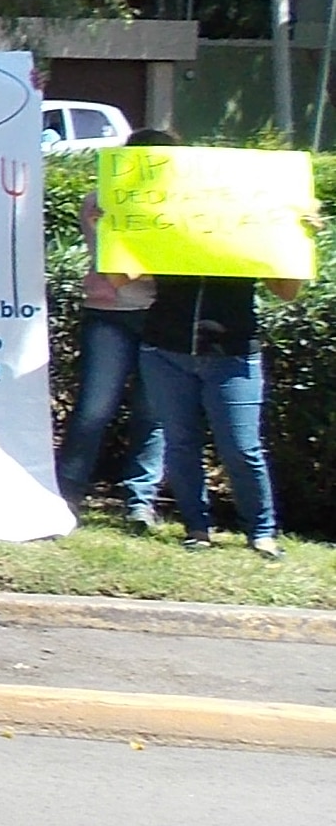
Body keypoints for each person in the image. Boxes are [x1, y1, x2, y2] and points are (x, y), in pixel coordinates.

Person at [133, 135, 298, 561]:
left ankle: (261, 531)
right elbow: (118, 277)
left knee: (241, 448)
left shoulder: (249, 227)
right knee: (180, 443)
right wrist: (109, 225)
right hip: (165, 349)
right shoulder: (164, 221)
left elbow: (287, 291)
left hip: (233, 354)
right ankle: (196, 529)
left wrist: (294, 238)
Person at [54, 130, 167, 531]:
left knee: (152, 413)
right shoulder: (100, 202)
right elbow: (116, 264)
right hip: (110, 312)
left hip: (161, 314)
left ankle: (140, 501)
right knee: (94, 408)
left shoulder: (183, 206)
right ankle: (67, 492)